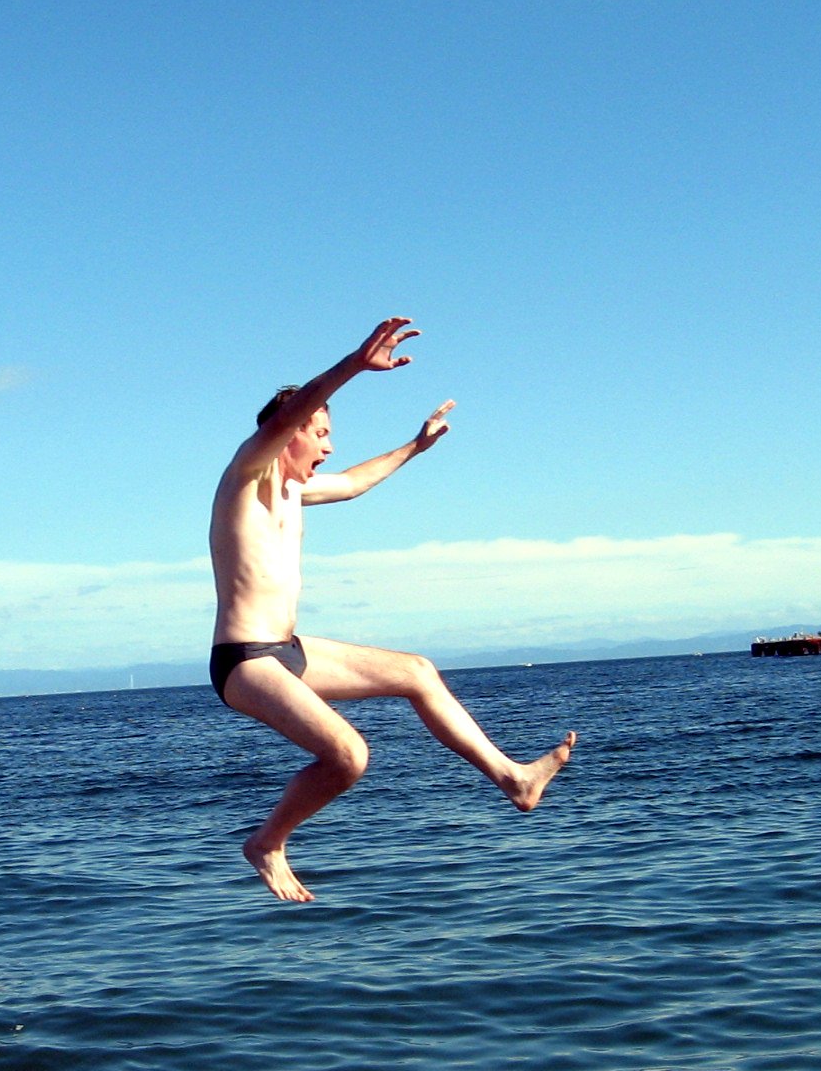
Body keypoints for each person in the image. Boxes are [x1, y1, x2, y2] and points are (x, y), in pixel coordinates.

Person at [208, 316, 575, 902]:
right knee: (348, 755)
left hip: (287, 650)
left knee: (417, 672)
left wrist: (415, 446)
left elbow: (354, 482)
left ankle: (514, 779)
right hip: (245, 660)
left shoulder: (295, 492)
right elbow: (286, 415)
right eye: (320, 432)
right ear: (292, 431)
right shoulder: (246, 476)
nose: (328, 447)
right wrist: (355, 364)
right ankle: (267, 843)